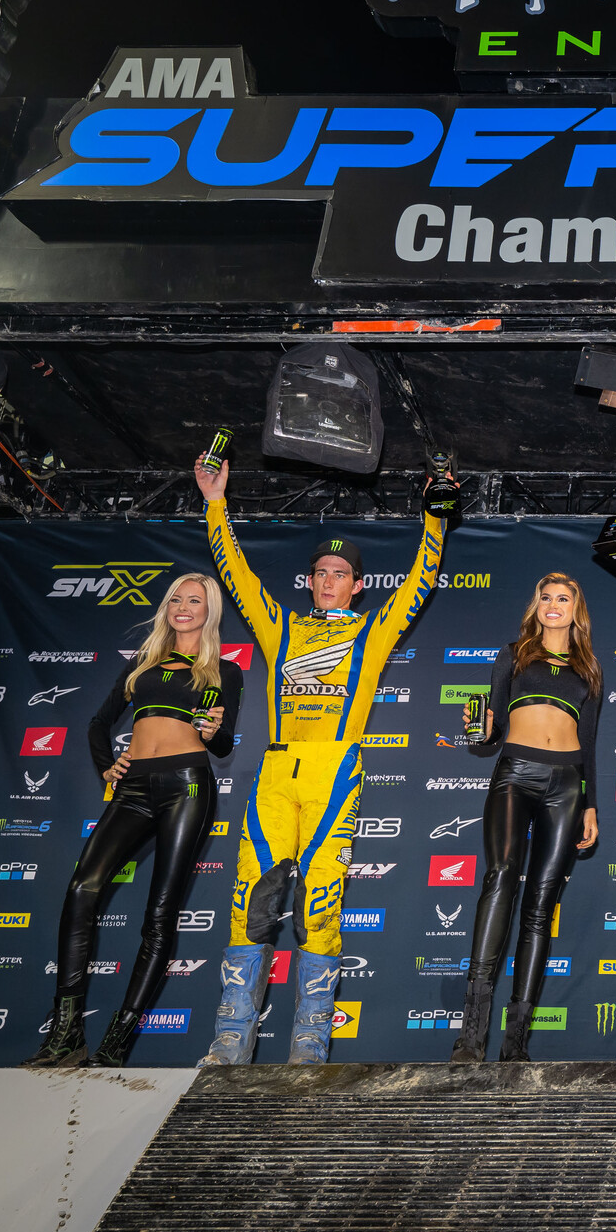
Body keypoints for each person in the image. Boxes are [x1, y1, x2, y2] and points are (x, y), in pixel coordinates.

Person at [191, 450, 457, 1065]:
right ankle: (230, 1043)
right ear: (309, 580)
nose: (329, 579)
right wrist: (215, 504)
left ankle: (308, 1047)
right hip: (276, 771)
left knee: (320, 906)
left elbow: (420, 581)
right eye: (320, 571)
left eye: (340, 573)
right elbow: (234, 572)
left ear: (359, 585)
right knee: (250, 902)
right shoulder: (278, 625)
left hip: (336, 770)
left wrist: (436, 520)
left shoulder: (374, 629)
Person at [26, 573, 240, 1068]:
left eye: (195, 600)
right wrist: (108, 764)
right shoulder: (141, 665)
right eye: (177, 599)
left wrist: (211, 731)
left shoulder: (223, 671)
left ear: (209, 613)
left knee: (160, 914)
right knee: (82, 889)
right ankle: (66, 1032)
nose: (184, 607)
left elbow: (225, 743)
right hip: (133, 788)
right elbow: (98, 722)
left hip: (188, 786)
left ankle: (117, 1042)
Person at [455, 572, 603, 1062]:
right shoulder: (513, 653)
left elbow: (590, 746)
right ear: (536, 605)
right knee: (500, 878)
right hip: (514, 774)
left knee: (541, 904)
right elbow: (489, 733)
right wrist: (477, 733)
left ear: (575, 609)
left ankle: (515, 1041)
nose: (554, 604)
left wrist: (591, 804)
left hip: (566, 785)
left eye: (564, 598)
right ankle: (471, 1035)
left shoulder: (590, 669)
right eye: (546, 597)